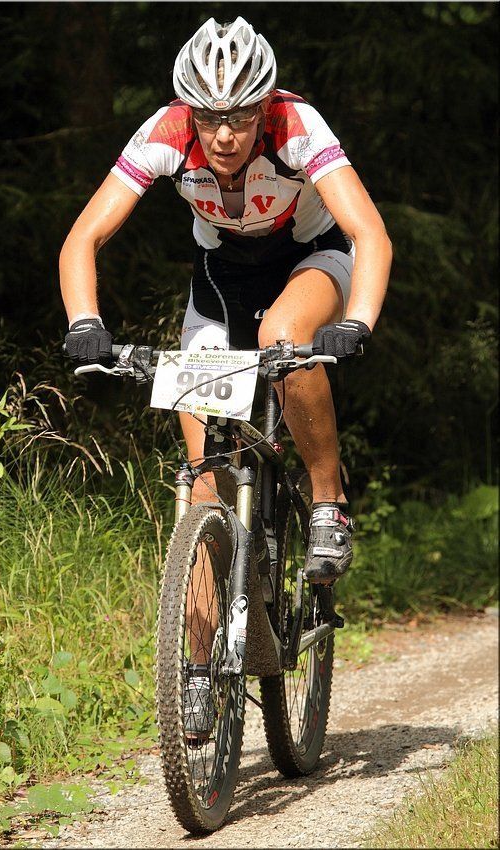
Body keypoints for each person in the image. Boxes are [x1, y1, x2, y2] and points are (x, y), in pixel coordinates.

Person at [61, 17, 392, 735]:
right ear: (188, 112)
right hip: (218, 282)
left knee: (284, 338)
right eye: (209, 118)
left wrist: (358, 322)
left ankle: (328, 500)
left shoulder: (297, 125)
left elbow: (369, 233)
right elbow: (83, 237)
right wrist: (86, 322)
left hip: (311, 260)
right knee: (204, 484)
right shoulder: (163, 132)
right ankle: (195, 671)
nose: (223, 136)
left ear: (263, 108)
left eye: (240, 117)